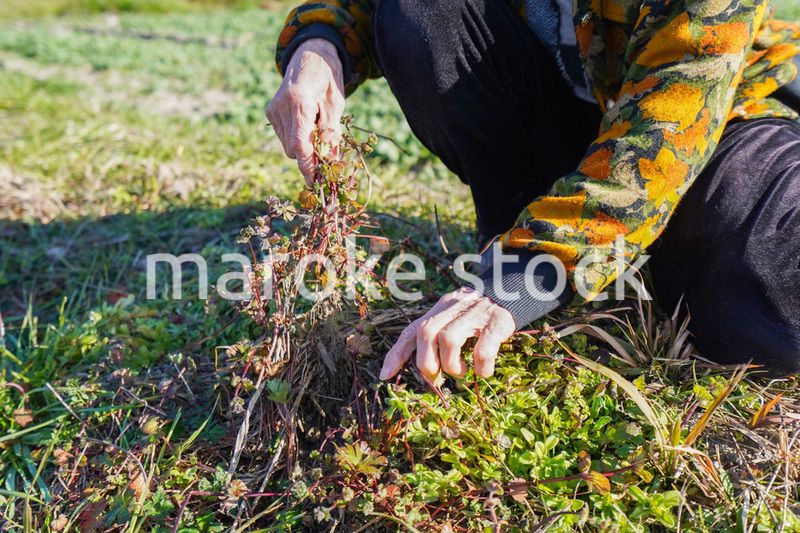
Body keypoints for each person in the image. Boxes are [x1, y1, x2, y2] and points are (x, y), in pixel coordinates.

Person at [266, 0, 800, 379]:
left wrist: (524, 277)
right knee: (418, 11)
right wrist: (320, 45)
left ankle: (570, 253)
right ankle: (517, 225)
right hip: (556, 126)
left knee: (772, 301)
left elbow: (663, 132)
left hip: (715, 121)